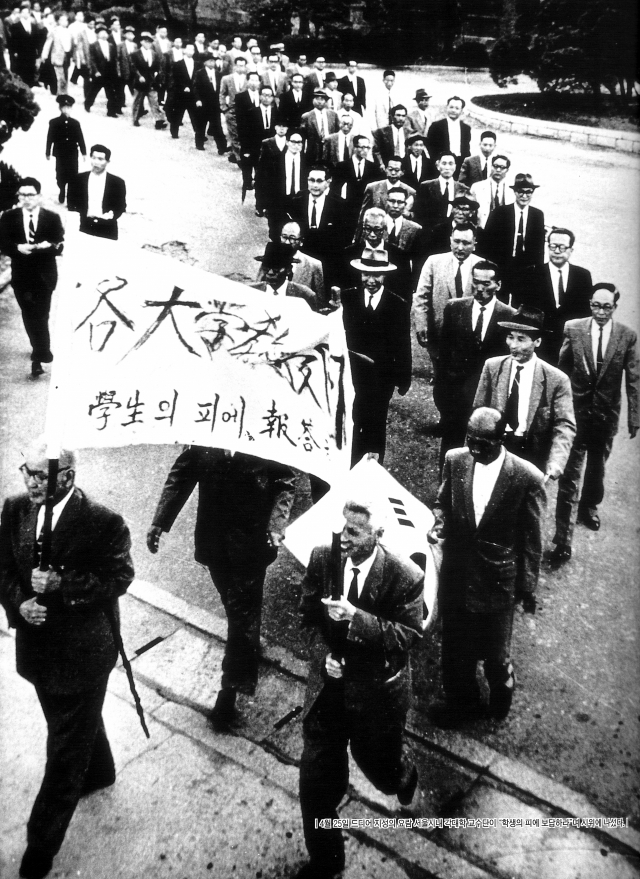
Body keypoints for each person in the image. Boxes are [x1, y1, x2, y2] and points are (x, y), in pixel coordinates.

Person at [0, 440, 134, 879]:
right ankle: (101, 770)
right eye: (27, 471)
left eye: (41, 476)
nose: (30, 482)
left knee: (62, 752)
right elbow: (2, 566)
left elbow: (119, 577)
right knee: (68, 726)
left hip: (83, 655)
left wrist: (62, 583)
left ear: (67, 478)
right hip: (39, 651)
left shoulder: (102, 522)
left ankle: (41, 847)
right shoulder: (16, 509)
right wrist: (20, 602)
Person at [298, 497, 423, 878]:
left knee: (383, 771)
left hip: (374, 698)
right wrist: (324, 657)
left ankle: (406, 777)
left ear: (378, 534)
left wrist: (358, 620)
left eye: (353, 531)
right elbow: (305, 615)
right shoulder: (323, 557)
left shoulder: (405, 576)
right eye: (341, 528)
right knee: (315, 786)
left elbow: (408, 635)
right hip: (329, 693)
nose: (343, 537)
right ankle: (327, 862)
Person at [147, 446, 295, 726]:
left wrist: (276, 524)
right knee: (237, 610)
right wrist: (160, 521)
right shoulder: (208, 432)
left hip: (251, 544)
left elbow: (285, 482)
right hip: (213, 542)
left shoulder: (262, 432)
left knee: (240, 617)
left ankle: (229, 692)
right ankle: (247, 641)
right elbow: (183, 473)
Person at [427, 408, 543, 727]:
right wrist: (439, 524)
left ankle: (500, 697)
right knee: (454, 648)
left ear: (500, 439)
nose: (475, 449)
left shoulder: (526, 476)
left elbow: (532, 539)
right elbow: (442, 502)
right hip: (457, 572)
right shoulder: (455, 459)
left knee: (495, 654)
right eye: (470, 440)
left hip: (497, 580)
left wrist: (527, 587)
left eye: (483, 444)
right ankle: (461, 707)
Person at [549, 284, 639, 565]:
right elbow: (560, 370)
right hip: (575, 416)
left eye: (607, 307)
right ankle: (563, 540)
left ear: (615, 306)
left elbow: (633, 380)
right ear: (589, 304)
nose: (601, 312)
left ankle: (589, 506)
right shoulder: (573, 329)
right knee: (569, 477)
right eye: (596, 306)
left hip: (604, 416)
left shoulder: (627, 336)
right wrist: (554, 410)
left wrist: (634, 417)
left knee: (597, 468)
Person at [473, 305, 576, 480]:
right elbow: (478, 413)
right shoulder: (492, 367)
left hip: (531, 454)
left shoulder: (557, 379)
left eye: (521, 339)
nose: (513, 345)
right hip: (497, 447)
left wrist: (556, 462)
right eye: (510, 337)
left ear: (537, 342)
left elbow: (564, 425)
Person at [437, 260, 516, 465]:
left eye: (487, 283)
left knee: (483, 451)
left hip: (488, 398)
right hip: (455, 394)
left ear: (498, 285)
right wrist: (442, 391)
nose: (480, 288)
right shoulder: (454, 308)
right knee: (450, 449)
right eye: (476, 282)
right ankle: (446, 493)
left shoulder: (509, 315)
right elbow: (444, 353)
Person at [341, 248, 412, 463]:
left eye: (377, 275)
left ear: (385, 276)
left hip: (381, 380)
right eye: (366, 274)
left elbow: (402, 343)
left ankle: (372, 471)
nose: (371, 280)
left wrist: (403, 378)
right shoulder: (348, 298)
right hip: (352, 376)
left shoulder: (397, 305)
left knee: (375, 424)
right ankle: (350, 466)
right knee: (352, 421)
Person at [413, 224, 482, 414]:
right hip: (440, 334)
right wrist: (421, 326)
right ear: (450, 240)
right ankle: (445, 418)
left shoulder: (482, 266)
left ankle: (462, 420)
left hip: (469, 337)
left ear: (474, 244)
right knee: (442, 379)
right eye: (457, 241)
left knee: (467, 381)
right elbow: (422, 297)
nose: (460, 247)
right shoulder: (434, 262)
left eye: (466, 243)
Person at [0, 176, 64, 378]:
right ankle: (40, 350)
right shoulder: (9, 217)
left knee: (41, 315)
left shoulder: (51, 218)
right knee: (29, 315)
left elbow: (59, 243)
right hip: (22, 275)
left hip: (45, 275)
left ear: (39, 196)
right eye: (22, 195)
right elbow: (3, 243)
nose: (26, 199)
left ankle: (39, 354)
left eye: (31, 195)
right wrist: (17, 247)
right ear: (18, 196)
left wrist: (49, 247)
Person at [521, 227, 593, 365]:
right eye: (553, 246)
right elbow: (525, 314)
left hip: (571, 346)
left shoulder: (582, 276)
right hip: (540, 347)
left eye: (562, 247)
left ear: (571, 250)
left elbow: (586, 314)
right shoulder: (531, 274)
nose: (557, 251)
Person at [483, 173, 545, 303]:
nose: (524, 196)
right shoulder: (500, 213)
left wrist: (537, 272)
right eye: (520, 192)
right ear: (515, 192)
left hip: (525, 269)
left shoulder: (537, 215)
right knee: (499, 301)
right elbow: (487, 242)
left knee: (521, 303)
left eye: (528, 192)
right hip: (502, 265)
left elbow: (539, 247)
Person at [256, 221, 325, 305]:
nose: (287, 242)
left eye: (292, 238)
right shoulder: (269, 260)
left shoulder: (314, 265)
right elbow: (258, 289)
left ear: (301, 241)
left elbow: (320, 302)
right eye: (284, 237)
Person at [68, 143, 126, 240]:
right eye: (93, 158)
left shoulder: (117, 183)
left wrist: (112, 214)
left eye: (100, 159)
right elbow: (71, 203)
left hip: (107, 228)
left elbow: (121, 206)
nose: (96, 162)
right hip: (83, 226)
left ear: (108, 161)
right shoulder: (77, 180)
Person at [251, 240, 318, 310]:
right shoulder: (252, 292)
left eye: (276, 268)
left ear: (288, 270)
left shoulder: (304, 295)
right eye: (266, 267)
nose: (270, 272)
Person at [412, 151, 469, 233]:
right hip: (431, 234)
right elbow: (418, 213)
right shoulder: (426, 186)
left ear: (455, 167)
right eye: (444, 163)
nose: (447, 167)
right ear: (438, 166)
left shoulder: (463, 189)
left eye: (450, 164)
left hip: (454, 233)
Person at [45, 95, 86, 204]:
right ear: (60, 108)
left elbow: (80, 138)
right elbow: (50, 137)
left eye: (69, 108)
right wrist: (47, 152)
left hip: (72, 152)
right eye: (64, 108)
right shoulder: (54, 122)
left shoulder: (75, 123)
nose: (66, 110)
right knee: (60, 173)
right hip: (60, 153)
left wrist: (84, 153)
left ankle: (71, 195)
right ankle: (62, 190)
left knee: (73, 173)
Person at [357, 155, 415, 225]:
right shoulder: (372, 188)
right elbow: (363, 214)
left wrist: (407, 213)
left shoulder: (410, 192)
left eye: (397, 170)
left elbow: (413, 216)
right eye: (390, 169)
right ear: (385, 169)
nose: (393, 173)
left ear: (402, 172)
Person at [425, 96, 471, 178]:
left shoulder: (466, 128)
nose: (453, 110)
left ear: (461, 111)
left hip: (459, 164)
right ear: (447, 108)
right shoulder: (436, 126)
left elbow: (466, 148)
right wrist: (438, 162)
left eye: (457, 108)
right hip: (442, 164)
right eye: (451, 107)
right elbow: (430, 146)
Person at [130, 31, 167, 129]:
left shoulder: (154, 54)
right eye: (146, 42)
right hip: (140, 82)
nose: (148, 44)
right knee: (138, 101)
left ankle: (159, 120)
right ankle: (135, 119)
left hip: (151, 81)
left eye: (150, 42)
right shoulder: (135, 54)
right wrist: (139, 76)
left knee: (154, 101)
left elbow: (158, 66)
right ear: (141, 42)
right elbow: (133, 67)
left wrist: (157, 74)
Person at [194, 50, 227, 153]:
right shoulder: (200, 73)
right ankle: (199, 144)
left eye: (214, 61)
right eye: (210, 61)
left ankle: (222, 147)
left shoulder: (218, 74)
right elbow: (195, 87)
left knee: (217, 125)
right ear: (205, 62)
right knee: (201, 124)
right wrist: (197, 99)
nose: (212, 63)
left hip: (215, 104)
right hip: (203, 103)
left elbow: (221, 89)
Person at [469, 153, 514, 229]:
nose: (498, 170)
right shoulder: (477, 187)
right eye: (495, 166)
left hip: (505, 231)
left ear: (507, 170)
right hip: (482, 230)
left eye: (502, 167)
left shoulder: (512, 190)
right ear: (491, 166)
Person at [85, 24, 119, 116]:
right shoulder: (93, 45)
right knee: (94, 90)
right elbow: (91, 59)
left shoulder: (111, 45)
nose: (104, 34)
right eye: (102, 32)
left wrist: (115, 72)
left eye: (105, 33)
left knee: (111, 93)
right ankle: (88, 104)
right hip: (99, 72)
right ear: (98, 34)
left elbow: (114, 60)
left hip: (109, 72)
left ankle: (111, 111)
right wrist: (95, 71)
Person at [168, 41, 199, 140]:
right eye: (188, 49)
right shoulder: (178, 64)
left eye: (192, 49)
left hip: (192, 94)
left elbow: (197, 79)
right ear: (184, 50)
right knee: (178, 113)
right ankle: (174, 132)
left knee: (195, 114)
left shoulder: (197, 64)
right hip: (180, 93)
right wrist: (183, 87)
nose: (190, 51)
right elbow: (175, 78)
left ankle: (198, 134)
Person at [219, 54, 247, 163]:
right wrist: (224, 109)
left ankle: (234, 154)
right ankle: (240, 158)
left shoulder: (249, 79)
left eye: (243, 66)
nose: (241, 68)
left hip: (246, 112)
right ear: (235, 66)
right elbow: (222, 94)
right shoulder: (227, 79)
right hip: (231, 110)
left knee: (243, 134)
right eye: (239, 65)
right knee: (234, 134)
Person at [302, 89, 340, 163]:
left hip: (330, 148)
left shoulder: (333, 115)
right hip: (313, 150)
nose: (319, 101)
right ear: (313, 100)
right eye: (317, 99)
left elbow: (337, 132)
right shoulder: (306, 116)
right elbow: (304, 135)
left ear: (325, 101)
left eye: (322, 99)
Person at [372, 104, 409, 170]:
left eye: (403, 116)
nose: (401, 118)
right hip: (387, 167)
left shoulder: (409, 132)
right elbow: (376, 151)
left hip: (405, 167)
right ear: (392, 116)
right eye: (398, 115)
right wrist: (381, 164)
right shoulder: (381, 132)